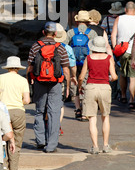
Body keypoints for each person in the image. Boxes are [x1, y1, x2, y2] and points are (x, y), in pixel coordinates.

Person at [27, 21, 71, 152]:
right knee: (54, 113)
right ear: (56, 34)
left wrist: (29, 83)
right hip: (56, 83)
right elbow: (66, 69)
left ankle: (40, 141)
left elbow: (30, 68)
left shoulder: (36, 46)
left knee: (40, 111)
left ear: (43, 32)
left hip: (39, 82)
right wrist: (67, 86)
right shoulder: (61, 47)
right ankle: (51, 146)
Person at [78, 36, 118, 154]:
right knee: (105, 117)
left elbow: (81, 76)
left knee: (92, 118)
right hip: (105, 87)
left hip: (91, 87)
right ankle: (105, 145)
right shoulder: (109, 58)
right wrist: (109, 78)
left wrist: (80, 86)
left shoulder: (89, 58)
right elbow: (115, 76)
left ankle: (95, 147)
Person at [0, 56, 31, 170]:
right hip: (18, 112)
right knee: (15, 144)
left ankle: (2, 169)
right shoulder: (22, 80)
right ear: (18, 68)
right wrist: (18, 102)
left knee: (2, 141)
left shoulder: (1, 78)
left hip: (2, 111)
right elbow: (27, 100)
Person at [65, 11, 97, 120]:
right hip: (87, 63)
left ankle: (78, 109)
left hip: (73, 63)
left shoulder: (70, 32)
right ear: (88, 21)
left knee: (75, 83)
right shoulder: (92, 33)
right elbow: (96, 48)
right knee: (86, 85)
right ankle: (85, 113)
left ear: (76, 21)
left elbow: (64, 47)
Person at [111, 1, 135, 107]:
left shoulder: (119, 19)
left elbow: (113, 34)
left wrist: (115, 48)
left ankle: (123, 96)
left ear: (125, 9)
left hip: (122, 52)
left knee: (123, 75)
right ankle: (131, 100)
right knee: (133, 77)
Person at [54, 24, 77, 135]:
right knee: (60, 104)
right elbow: (71, 66)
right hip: (61, 78)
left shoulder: (42, 46)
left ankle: (48, 124)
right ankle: (57, 126)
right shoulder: (67, 48)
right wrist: (73, 77)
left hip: (44, 79)